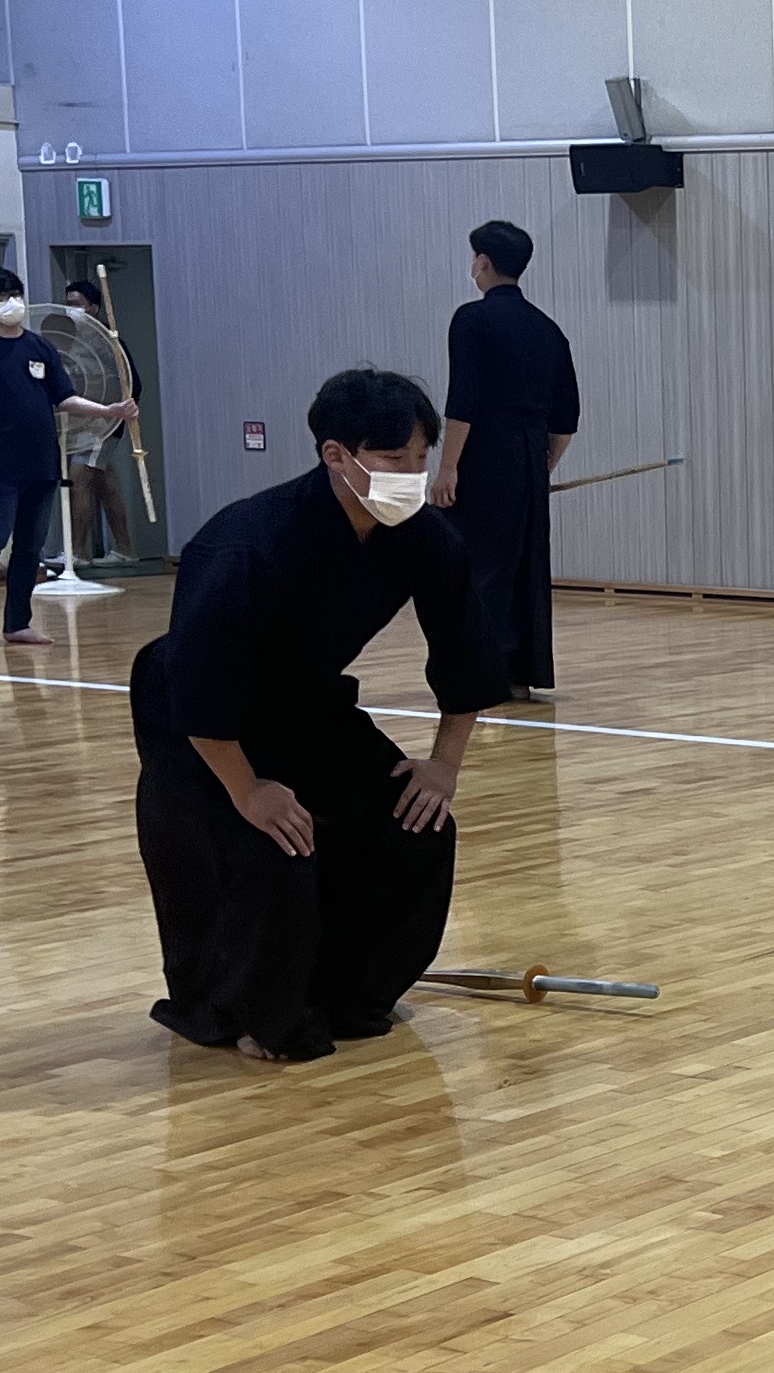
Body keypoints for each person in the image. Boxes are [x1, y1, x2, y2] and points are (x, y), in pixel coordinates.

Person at [131, 365, 510, 1064]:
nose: (412, 475)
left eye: (421, 457)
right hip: (204, 726)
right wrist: (249, 789)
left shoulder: (425, 538)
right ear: (336, 454)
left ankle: (349, 995)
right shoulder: (244, 545)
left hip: (308, 706)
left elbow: (467, 658)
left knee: (415, 825)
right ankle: (248, 1010)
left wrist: (443, 767)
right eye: (393, 458)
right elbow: (200, 687)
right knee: (272, 849)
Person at [0, 267, 127, 651]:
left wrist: (109, 410)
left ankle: (17, 623)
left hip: (41, 462)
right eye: (1, 297)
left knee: (30, 546)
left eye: (16, 294)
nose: (12, 303)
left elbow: (64, 398)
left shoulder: (40, 348)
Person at [435, 218, 581, 698]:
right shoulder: (548, 329)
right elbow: (567, 417)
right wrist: (541, 467)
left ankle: (481, 674)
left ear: (482, 262)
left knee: (475, 565)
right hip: (530, 454)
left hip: (483, 452)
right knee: (525, 566)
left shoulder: (471, 319)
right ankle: (520, 676)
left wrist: (449, 468)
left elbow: (464, 400)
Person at [48, 275, 143, 567]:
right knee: (105, 485)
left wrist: (120, 411)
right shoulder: (69, 342)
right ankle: (125, 550)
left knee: (78, 481)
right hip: (80, 426)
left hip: (103, 427)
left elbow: (133, 384)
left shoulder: (108, 344)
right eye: (68, 304)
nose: (72, 309)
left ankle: (77, 553)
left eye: (77, 304)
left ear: (94, 308)